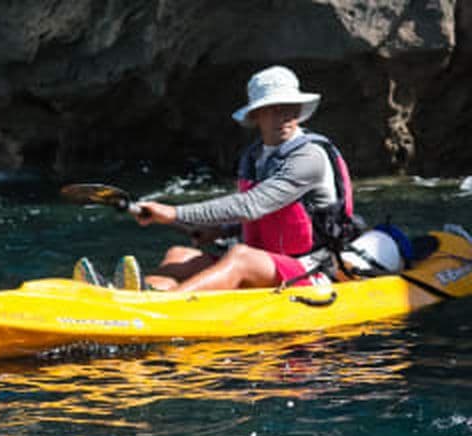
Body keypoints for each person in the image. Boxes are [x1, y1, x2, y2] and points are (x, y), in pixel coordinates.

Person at [75, 65, 360, 292]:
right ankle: (136, 294)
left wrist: (174, 212)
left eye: (288, 106)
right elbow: (259, 218)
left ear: (299, 109)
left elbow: (252, 205)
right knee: (179, 255)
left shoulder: (308, 157)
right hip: (267, 262)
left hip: (312, 269)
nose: (283, 115)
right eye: (272, 108)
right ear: (256, 115)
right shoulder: (255, 156)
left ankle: (161, 308)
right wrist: (219, 230)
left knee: (239, 257)